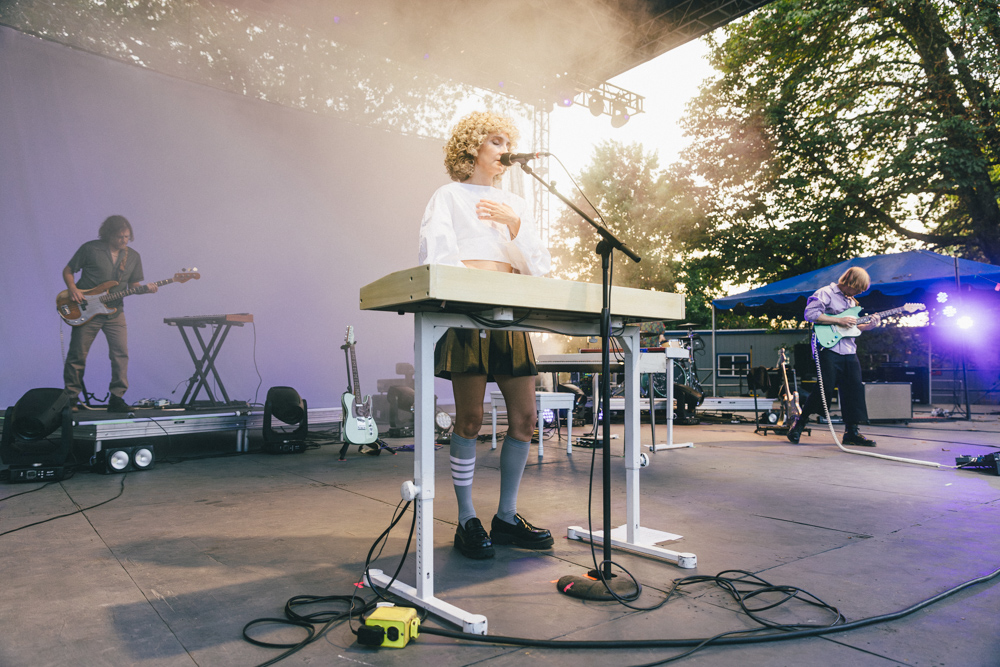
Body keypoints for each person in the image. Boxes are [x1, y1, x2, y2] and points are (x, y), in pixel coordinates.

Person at [418, 111, 553, 559]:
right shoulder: (448, 195)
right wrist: (473, 292)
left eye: (507, 142)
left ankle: (507, 517)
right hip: (468, 316)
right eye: (496, 141)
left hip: (510, 318)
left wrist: (514, 227)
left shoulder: (516, 203)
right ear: (472, 147)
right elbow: (436, 256)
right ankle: (466, 519)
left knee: (526, 419)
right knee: (471, 419)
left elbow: (539, 267)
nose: (504, 151)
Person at [62, 215, 158, 412]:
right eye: (119, 237)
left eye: (127, 237)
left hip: (115, 312)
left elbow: (133, 286)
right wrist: (73, 288)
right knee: (77, 355)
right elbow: (68, 270)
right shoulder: (90, 249)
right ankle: (71, 398)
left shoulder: (133, 257)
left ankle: (116, 398)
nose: (124, 241)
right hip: (86, 309)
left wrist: (145, 289)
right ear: (108, 235)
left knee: (120, 354)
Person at [786, 266, 880, 446]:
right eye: (858, 288)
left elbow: (849, 328)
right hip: (828, 349)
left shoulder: (852, 302)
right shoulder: (825, 293)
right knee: (824, 388)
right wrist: (838, 319)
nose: (859, 292)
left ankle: (851, 432)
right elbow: (810, 314)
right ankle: (799, 426)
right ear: (850, 281)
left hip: (849, 350)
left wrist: (867, 327)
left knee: (854, 389)